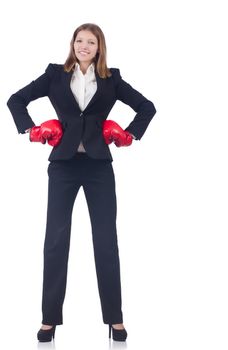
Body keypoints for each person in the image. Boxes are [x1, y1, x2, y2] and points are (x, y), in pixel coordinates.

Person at [7, 23, 156, 342]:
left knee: (106, 241)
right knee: (56, 240)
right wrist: (31, 130)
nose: (84, 46)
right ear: (72, 44)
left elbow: (147, 107)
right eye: (79, 40)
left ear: (99, 47)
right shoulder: (54, 74)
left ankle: (115, 319)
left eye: (90, 42)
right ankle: (49, 319)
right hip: (62, 166)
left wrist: (129, 134)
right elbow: (15, 100)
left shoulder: (111, 79)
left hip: (99, 166)